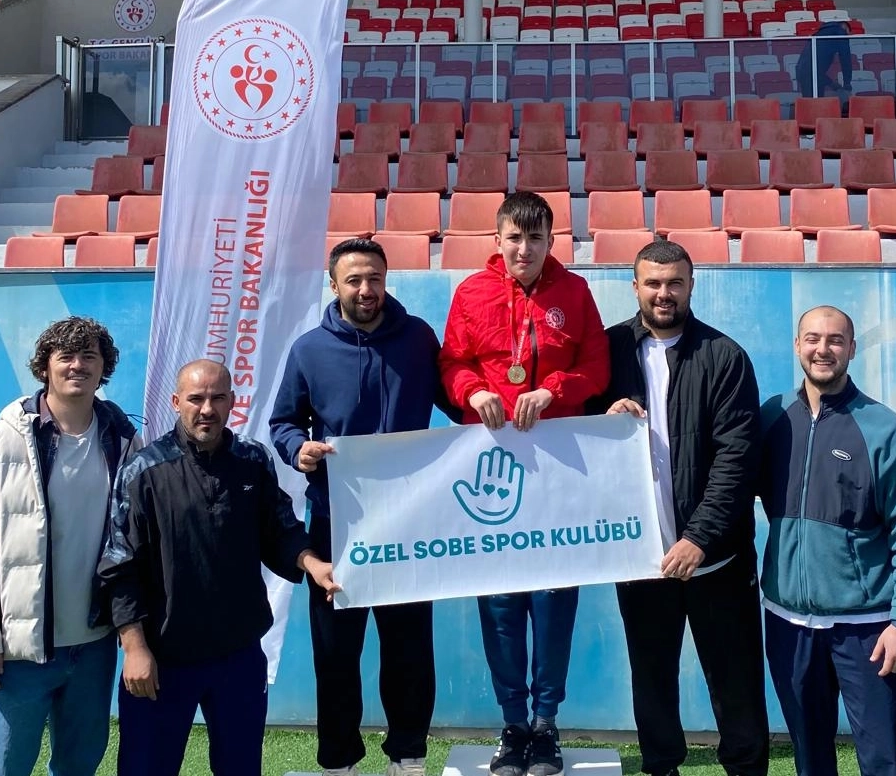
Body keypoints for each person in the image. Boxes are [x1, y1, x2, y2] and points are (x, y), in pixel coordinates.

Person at [439, 191, 610, 776]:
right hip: (493, 474)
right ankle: (513, 725)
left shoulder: (575, 293)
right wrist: (472, 392)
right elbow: (452, 364)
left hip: (559, 474)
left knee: (554, 601)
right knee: (501, 604)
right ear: (497, 240)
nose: (524, 248)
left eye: (535, 238)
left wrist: (553, 390)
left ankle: (546, 725)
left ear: (550, 242)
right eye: (514, 237)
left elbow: (597, 367)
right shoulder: (471, 293)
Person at [269, 238, 449, 776]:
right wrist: (297, 450)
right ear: (335, 285)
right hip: (335, 524)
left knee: (410, 649)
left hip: (409, 521)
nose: (366, 289)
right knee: (335, 653)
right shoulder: (308, 350)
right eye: (354, 280)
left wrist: (500, 413)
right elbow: (284, 423)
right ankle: (338, 761)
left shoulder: (419, 338)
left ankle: (408, 757)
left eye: (375, 278)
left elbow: (457, 400)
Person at [600, 241, 769, 776]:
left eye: (674, 282)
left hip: (717, 560)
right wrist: (603, 418)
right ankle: (661, 767)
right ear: (635, 287)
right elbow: (577, 439)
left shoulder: (724, 356)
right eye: (653, 283)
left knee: (736, 683)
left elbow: (736, 460)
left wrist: (698, 538)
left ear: (691, 286)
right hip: (642, 559)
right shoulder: (607, 350)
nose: (663, 293)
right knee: (651, 680)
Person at [0, 316, 138, 776]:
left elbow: (134, 545)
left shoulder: (125, 442)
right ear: (44, 367)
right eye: (65, 356)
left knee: (78, 767)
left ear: (104, 367)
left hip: (93, 647)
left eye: (89, 355)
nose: (77, 365)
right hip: (18, 654)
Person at [99, 359, 314, 776]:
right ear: (177, 402)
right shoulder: (144, 470)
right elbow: (120, 565)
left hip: (238, 655)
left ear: (232, 401)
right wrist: (135, 647)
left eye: (218, 398)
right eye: (196, 399)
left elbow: (280, 529)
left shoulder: (253, 459)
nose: (207, 409)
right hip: (163, 658)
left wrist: (312, 562)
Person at [756, 305, 896, 776]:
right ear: (797, 346)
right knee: (810, 758)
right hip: (788, 624)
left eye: (835, 340)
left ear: (852, 349)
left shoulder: (883, 429)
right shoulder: (773, 418)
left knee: (885, 760)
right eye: (813, 339)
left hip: (868, 629)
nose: (823, 349)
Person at [796, 21, 853, 99]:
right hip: (811, 75)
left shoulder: (818, 34)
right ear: (845, 27)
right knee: (818, 103)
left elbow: (813, 68)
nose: (847, 38)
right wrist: (847, 83)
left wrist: (831, 83)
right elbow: (845, 58)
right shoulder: (840, 32)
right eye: (847, 35)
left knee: (809, 103)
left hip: (802, 73)